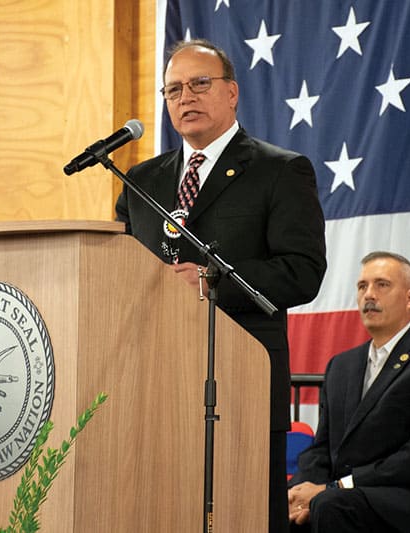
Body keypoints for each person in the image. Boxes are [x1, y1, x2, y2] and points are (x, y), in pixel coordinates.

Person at [115, 39, 327, 533]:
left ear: (232, 93)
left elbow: (302, 270)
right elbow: (121, 269)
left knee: (243, 516)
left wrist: (213, 279)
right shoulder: (141, 181)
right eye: (173, 90)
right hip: (156, 382)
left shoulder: (280, 170)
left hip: (240, 379)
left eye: (199, 84)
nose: (185, 97)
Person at [287, 251, 410, 533]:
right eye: (362, 286)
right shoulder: (341, 365)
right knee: (282, 503)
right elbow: (322, 449)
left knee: (329, 505)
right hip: (342, 497)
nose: (369, 295)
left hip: (407, 502)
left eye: (382, 285)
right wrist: (299, 493)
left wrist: (335, 486)